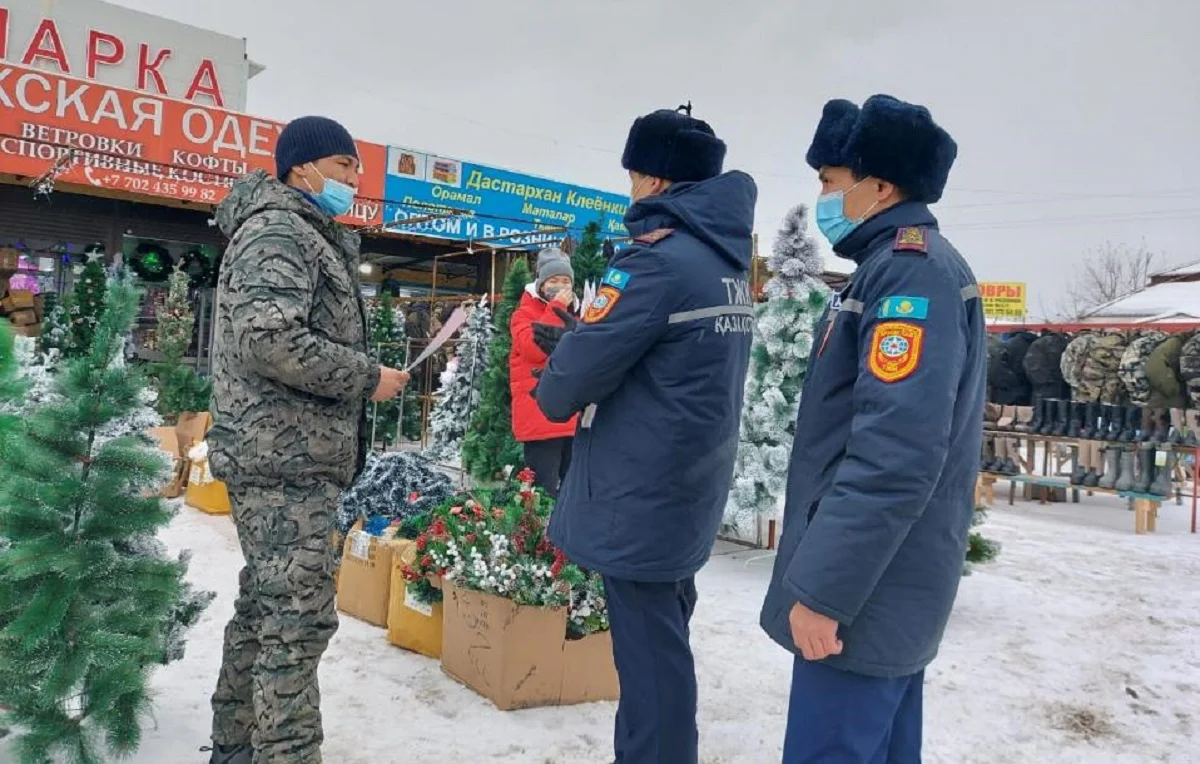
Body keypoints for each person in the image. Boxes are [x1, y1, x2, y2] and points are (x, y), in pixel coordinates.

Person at [758, 95, 985, 763]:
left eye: (831, 181)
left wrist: (824, 591)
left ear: (880, 186)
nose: (823, 197)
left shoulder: (910, 276)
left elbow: (893, 455)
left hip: (864, 598)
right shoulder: (894, 269)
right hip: (883, 587)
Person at [531, 106, 756, 764]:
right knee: (661, 648)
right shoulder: (723, 265)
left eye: (632, 175)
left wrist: (567, 357)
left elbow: (567, 386)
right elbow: (664, 364)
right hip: (684, 488)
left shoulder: (654, 264)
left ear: (656, 181)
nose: (629, 189)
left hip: (642, 496)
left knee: (652, 669)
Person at [204, 116, 410, 764]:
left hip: (289, 454)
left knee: (268, 605)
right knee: (298, 618)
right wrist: (366, 377)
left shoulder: (303, 231)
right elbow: (269, 340)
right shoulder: (279, 231)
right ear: (303, 168)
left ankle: (237, 747)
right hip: (280, 458)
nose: (356, 179)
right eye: (346, 166)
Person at [508, 246, 580, 496]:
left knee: (574, 491)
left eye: (565, 281)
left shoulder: (577, 315)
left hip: (571, 418)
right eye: (553, 280)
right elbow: (534, 350)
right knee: (542, 491)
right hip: (539, 417)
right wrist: (555, 310)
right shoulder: (523, 315)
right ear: (540, 284)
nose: (560, 286)